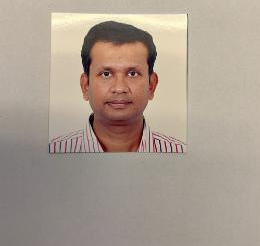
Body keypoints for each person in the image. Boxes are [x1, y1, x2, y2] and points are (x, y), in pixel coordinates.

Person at [49, 20, 187, 153]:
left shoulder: (182, 153)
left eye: (132, 74)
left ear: (151, 85)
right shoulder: (53, 152)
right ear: (85, 86)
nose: (119, 88)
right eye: (106, 74)